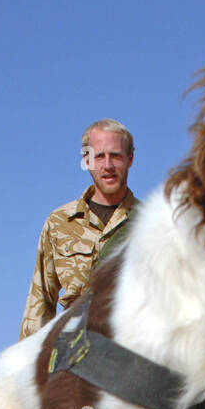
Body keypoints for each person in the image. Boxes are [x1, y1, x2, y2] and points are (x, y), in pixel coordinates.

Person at [19, 119, 139, 339]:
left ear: (130, 158)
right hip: (73, 350)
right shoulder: (60, 222)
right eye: (99, 156)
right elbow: (40, 303)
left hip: (133, 350)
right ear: (86, 160)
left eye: (116, 155)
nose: (108, 165)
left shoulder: (149, 223)